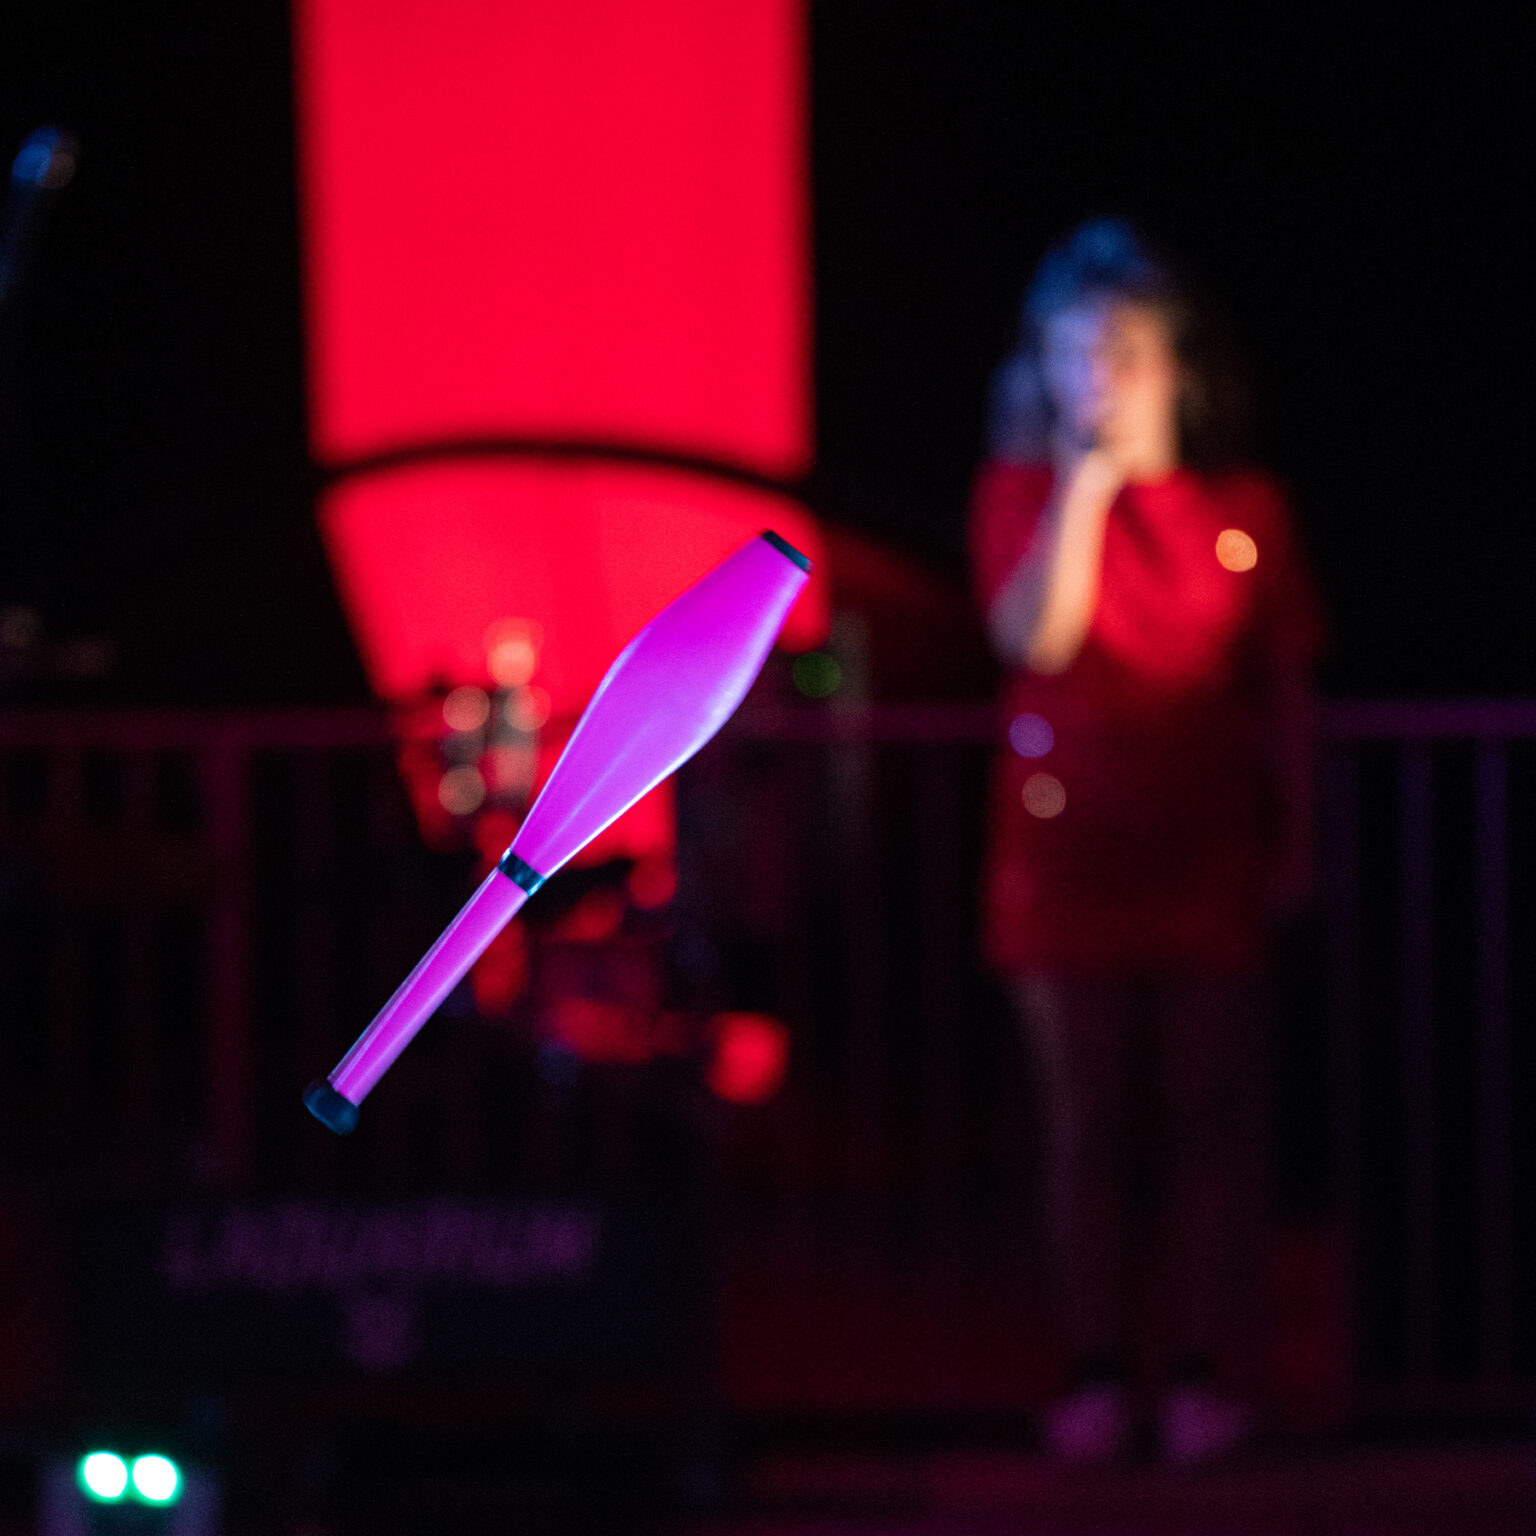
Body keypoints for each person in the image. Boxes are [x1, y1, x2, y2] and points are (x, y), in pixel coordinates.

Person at [970, 219, 1323, 1464]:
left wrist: (1299, 843)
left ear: (1174, 361)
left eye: (1119, 350)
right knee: (1088, 1127)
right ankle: (1100, 1368)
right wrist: (1084, 489)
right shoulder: (1019, 492)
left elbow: (1284, 691)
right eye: (1070, 355)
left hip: (1206, 855)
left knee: (1205, 1121)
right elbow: (1038, 638)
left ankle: (1210, 1372)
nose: (1095, 378)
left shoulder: (1247, 506)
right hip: (1063, 864)